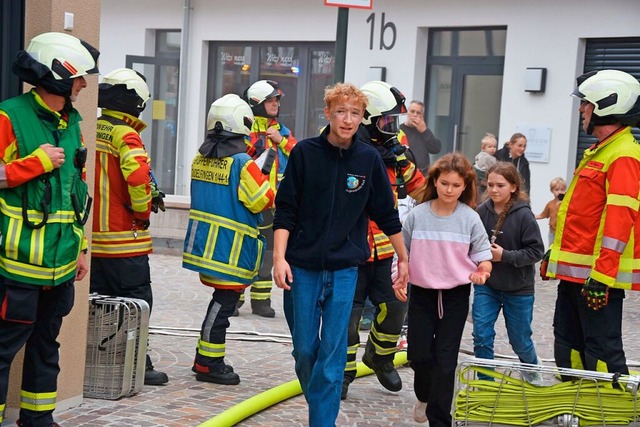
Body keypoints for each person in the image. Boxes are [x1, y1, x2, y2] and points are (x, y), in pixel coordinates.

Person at [272, 82, 409, 427]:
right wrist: (279, 258)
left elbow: (386, 212)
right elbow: (285, 210)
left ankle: (323, 422)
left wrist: (403, 258)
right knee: (305, 352)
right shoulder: (304, 153)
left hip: (346, 269)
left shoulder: (369, 159)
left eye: (355, 113)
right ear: (328, 114)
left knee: (333, 357)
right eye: (341, 112)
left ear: (363, 118)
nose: (347, 119)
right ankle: (321, 402)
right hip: (302, 270)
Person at [0, 31, 98, 427]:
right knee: (3, 350)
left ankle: (39, 421)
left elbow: (77, 193)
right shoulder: (9, 115)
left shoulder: (72, 122)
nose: (84, 85)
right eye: (79, 77)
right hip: (17, 266)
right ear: (58, 74)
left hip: (59, 266)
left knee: (45, 347)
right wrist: (34, 163)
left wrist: (82, 249)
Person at [544, 69, 640, 378]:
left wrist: (602, 276)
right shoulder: (600, 151)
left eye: (586, 102)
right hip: (577, 278)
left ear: (606, 105)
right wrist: (555, 255)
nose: (582, 109)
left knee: (601, 351)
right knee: (568, 346)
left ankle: (613, 415)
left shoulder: (623, 155)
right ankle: (574, 405)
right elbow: (582, 217)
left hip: (597, 280)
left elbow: (619, 219)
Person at [341, 81, 427, 400]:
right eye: (386, 121)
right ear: (367, 121)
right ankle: (343, 374)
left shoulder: (394, 152)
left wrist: (458, 197)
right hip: (349, 253)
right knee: (348, 321)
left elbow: (421, 187)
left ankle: (379, 357)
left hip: (385, 252)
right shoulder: (344, 154)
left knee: (396, 306)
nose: (392, 128)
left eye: (394, 121)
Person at [183, 94, 275, 385]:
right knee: (223, 305)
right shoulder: (242, 163)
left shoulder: (200, 158)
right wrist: (263, 173)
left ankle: (206, 357)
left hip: (205, 247)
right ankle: (208, 362)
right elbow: (262, 201)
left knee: (220, 302)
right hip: (232, 250)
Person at [89, 68, 168, 386]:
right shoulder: (126, 135)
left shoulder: (93, 128)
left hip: (92, 239)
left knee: (99, 301)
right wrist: (143, 211)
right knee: (137, 303)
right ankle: (138, 363)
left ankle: (100, 356)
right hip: (124, 241)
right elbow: (137, 179)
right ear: (137, 102)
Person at [402, 152, 492, 426]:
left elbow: (483, 255)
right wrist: (399, 278)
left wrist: (483, 271)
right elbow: (403, 254)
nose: (449, 190)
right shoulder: (417, 216)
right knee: (418, 354)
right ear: (435, 182)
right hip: (421, 293)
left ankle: (440, 420)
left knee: (446, 358)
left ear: (465, 186)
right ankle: (424, 396)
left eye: (456, 185)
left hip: (455, 295)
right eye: (445, 184)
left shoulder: (470, 218)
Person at [474, 162, 545, 384]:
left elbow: (536, 252)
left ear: (513, 187)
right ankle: (486, 382)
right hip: (488, 286)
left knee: (520, 340)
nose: (494, 190)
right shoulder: (481, 211)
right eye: (491, 185)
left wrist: (504, 255)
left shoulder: (524, 215)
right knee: (481, 335)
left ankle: (532, 370)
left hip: (519, 289)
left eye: (500, 185)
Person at [238, 80, 298, 318]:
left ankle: (261, 301)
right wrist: (263, 139)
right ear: (258, 103)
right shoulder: (245, 127)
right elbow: (241, 155)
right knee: (244, 251)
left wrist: (280, 139)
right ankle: (235, 298)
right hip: (248, 202)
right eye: (270, 101)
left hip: (274, 203)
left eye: (276, 101)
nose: (275, 105)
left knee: (268, 254)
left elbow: (299, 153)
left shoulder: (281, 130)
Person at [399, 100, 441, 174]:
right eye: (412, 111)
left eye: (418, 113)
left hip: (422, 174)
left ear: (422, 116)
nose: (415, 115)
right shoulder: (399, 130)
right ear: (407, 112)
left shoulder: (424, 131)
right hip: (405, 174)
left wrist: (424, 131)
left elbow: (436, 149)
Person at [535, 177, 566, 247]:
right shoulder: (550, 204)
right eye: (557, 189)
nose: (560, 192)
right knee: (551, 249)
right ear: (552, 190)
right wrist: (532, 216)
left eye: (562, 189)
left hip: (563, 233)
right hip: (552, 232)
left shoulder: (566, 203)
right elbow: (542, 215)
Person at [473, 132, 498, 200]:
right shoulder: (487, 158)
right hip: (483, 181)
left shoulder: (481, 156)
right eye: (490, 147)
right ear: (483, 148)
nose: (492, 149)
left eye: (494, 147)